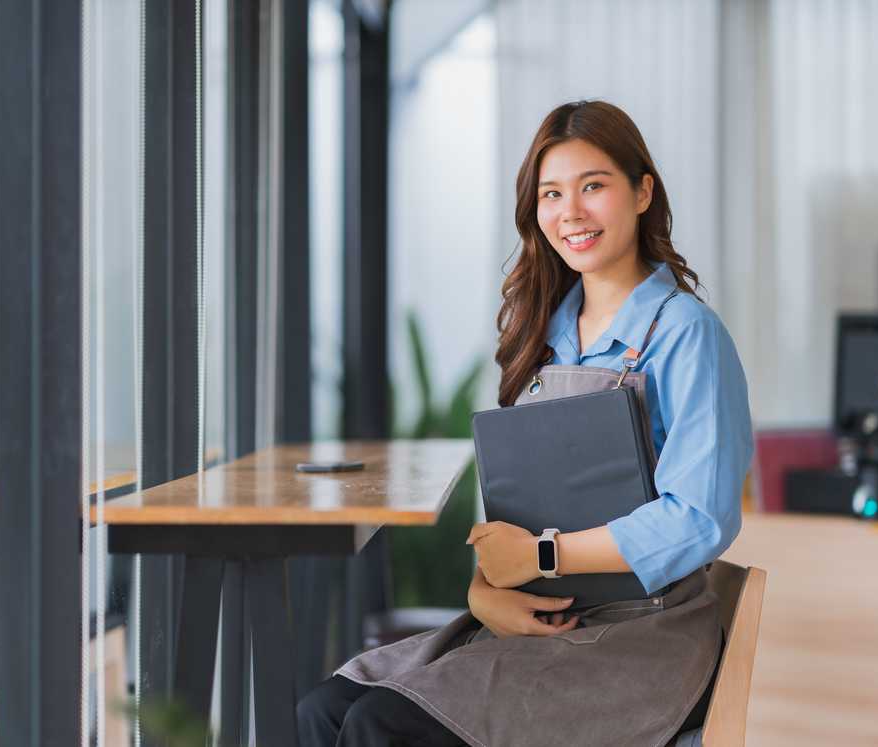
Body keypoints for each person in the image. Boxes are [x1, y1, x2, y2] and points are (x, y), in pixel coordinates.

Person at [297, 100, 754, 747]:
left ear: (642, 190)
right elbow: (517, 511)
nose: (571, 211)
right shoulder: (543, 338)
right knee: (324, 708)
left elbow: (699, 516)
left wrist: (542, 553)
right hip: (543, 620)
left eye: (593, 186)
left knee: (380, 726)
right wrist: (485, 588)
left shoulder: (687, 333)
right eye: (552, 193)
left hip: (640, 639)